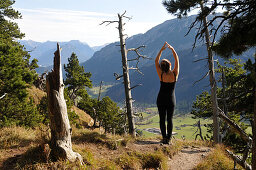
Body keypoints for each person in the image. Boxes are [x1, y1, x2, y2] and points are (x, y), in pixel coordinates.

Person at [155, 42, 179, 144]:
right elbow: (177, 59)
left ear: (162, 67)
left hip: (161, 99)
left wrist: (161, 50)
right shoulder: (174, 74)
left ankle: (164, 137)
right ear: (170, 65)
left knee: (162, 119)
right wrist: (172, 49)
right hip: (171, 99)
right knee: (170, 119)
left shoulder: (161, 74)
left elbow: (156, 61)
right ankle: (168, 139)